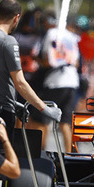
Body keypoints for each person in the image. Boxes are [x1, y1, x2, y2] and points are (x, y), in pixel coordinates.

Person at [0, 0, 61, 141]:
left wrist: (14, 104)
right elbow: (20, 82)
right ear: (17, 17)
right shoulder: (8, 41)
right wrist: (45, 109)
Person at [34, 12, 81, 152]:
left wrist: (37, 60)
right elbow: (76, 63)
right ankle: (71, 154)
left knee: (41, 119)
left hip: (55, 82)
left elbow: (49, 61)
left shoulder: (51, 34)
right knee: (65, 122)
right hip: (71, 81)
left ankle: (40, 152)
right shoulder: (71, 36)